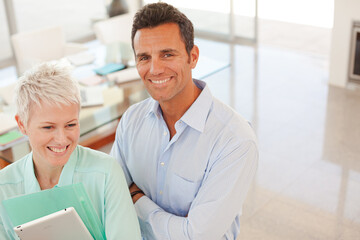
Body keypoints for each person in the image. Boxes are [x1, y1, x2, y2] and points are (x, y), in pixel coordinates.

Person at [110, 2, 258, 240]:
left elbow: (197, 236)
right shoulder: (131, 120)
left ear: (193, 56)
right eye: (144, 57)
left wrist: (136, 199)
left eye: (167, 54)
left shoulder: (235, 141)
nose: (155, 69)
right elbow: (112, 197)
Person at [0, 61, 141, 240]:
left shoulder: (106, 173)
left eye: (70, 125)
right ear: (22, 124)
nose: (61, 139)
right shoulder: (3, 187)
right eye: (48, 127)